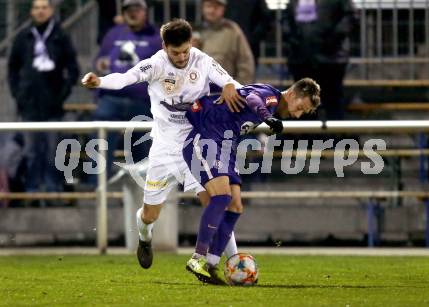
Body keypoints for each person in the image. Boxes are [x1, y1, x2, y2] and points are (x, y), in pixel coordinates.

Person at [82, 19, 244, 270]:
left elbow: (231, 82)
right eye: (175, 52)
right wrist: (100, 81)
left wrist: (233, 86)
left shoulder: (201, 60)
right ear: (164, 46)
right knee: (149, 215)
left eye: (185, 51)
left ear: (191, 44)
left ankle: (234, 261)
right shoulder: (155, 64)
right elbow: (125, 78)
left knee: (216, 201)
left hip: (195, 147)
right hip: (163, 151)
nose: (181, 58)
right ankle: (145, 238)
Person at [183, 78, 321, 284]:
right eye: (300, 107)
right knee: (221, 197)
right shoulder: (270, 96)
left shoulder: (271, 99)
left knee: (235, 206)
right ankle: (197, 258)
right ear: (291, 94)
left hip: (225, 146)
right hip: (206, 138)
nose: (297, 114)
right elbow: (253, 99)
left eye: (303, 112)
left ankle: (211, 264)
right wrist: (267, 118)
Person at [7, 0, 79, 202]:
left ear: (51, 10)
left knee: (51, 151)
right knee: (30, 151)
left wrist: (62, 94)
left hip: (52, 106)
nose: (40, 11)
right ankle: (32, 191)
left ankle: (52, 190)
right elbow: (12, 68)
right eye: (36, 8)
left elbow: (73, 68)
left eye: (43, 8)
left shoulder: (60, 36)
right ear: (32, 11)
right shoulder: (23, 36)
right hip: (28, 105)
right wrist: (17, 93)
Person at [93, 0, 162, 175]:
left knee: (143, 147)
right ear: (123, 13)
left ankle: (146, 190)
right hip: (111, 99)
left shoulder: (156, 37)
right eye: (129, 10)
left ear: (145, 12)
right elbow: (100, 61)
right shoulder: (113, 34)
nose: (133, 13)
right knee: (100, 139)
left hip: (141, 100)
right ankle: (98, 187)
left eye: (137, 9)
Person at [282, 0, 357, 120]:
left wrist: (333, 38)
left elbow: (349, 17)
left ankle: (334, 136)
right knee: (304, 105)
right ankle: (307, 136)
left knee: (332, 103)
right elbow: (286, 18)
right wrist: (292, 39)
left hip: (330, 59)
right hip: (302, 59)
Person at [193, 0, 255, 85]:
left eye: (216, 7)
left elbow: (245, 62)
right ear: (202, 8)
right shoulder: (195, 31)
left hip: (226, 90)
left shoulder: (232, 30)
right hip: (200, 91)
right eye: (208, 6)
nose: (211, 10)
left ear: (223, 9)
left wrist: (240, 89)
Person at [225, 0, 271, 66]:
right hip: (226, 45)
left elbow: (265, 21)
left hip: (249, 47)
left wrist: (253, 38)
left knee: (247, 71)